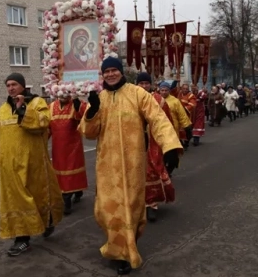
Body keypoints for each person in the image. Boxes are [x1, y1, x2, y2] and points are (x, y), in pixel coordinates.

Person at [79, 57, 182, 275]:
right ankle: (119, 248)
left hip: (133, 165)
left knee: (133, 209)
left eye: (114, 70)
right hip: (106, 165)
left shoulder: (137, 94)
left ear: (121, 72)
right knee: (107, 210)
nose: (110, 74)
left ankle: (125, 252)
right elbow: (88, 133)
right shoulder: (99, 98)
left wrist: (170, 146)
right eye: (106, 71)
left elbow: (157, 119)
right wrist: (91, 112)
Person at [0, 73, 63, 257]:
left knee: (38, 197)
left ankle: (47, 222)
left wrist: (23, 110)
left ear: (22, 86)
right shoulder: (3, 110)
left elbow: (43, 124)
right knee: (15, 202)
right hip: (9, 167)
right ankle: (22, 239)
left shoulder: (37, 103)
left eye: (14, 84)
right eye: (8, 85)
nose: (11, 88)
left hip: (33, 164)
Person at [136, 72, 176, 223]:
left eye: (147, 83)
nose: (144, 86)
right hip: (134, 143)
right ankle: (140, 204)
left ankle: (152, 205)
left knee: (152, 172)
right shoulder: (130, 99)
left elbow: (167, 122)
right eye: (141, 83)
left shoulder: (159, 100)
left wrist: (169, 144)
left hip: (154, 142)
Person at [49, 95, 88, 215]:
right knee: (60, 174)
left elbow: (86, 116)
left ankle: (68, 200)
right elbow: (46, 127)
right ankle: (73, 192)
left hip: (73, 148)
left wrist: (77, 104)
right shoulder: (50, 107)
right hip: (57, 148)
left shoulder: (75, 104)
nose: (63, 95)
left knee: (72, 172)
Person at [159, 82, 192, 177]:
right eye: (162, 90)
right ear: (159, 90)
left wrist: (187, 127)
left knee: (173, 156)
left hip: (172, 132)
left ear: (169, 90)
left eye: (166, 90)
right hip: (159, 131)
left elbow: (182, 115)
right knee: (161, 154)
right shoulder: (155, 100)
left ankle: (169, 170)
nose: (164, 92)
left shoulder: (175, 101)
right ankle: (163, 172)